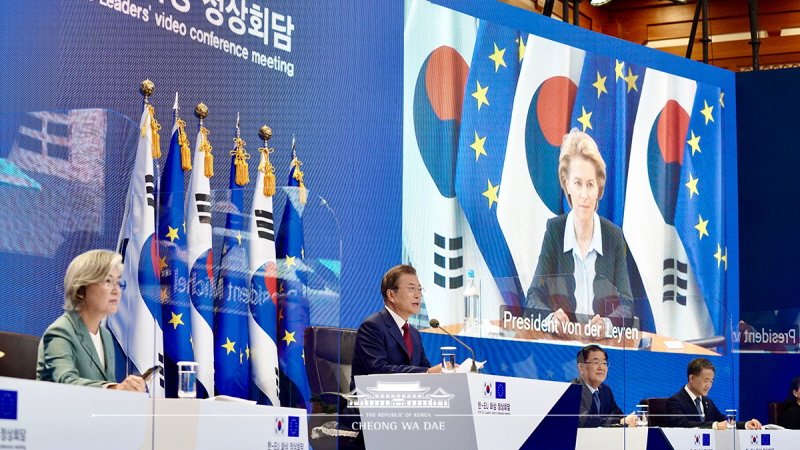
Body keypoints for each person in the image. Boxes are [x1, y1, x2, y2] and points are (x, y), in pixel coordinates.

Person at [526, 129, 633, 339]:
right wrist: (550, 320)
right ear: (567, 185)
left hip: (601, 352)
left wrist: (608, 324)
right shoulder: (554, 232)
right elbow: (533, 298)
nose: (584, 194)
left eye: (590, 185)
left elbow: (627, 305)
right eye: (577, 183)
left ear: (598, 190)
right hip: (563, 349)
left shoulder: (613, 236)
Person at [37, 250, 145, 391]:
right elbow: (64, 381)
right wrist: (114, 388)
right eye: (107, 281)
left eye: (118, 283)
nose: (116, 290)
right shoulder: (60, 332)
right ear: (81, 290)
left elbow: (106, 385)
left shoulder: (104, 334)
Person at [350, 264, 442, 391]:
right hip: (371, 402)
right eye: (411, 288)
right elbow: (379, 370)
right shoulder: (372, 326)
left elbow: (424, 367)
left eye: (420, 289)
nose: (418, 295)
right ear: (391, 295)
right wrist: (428, 372)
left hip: (408, 402)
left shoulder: (414, 333)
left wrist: (442, 373)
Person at [666, 358, 760, 429]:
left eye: (711, 381)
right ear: (692, 378)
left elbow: (724, 422)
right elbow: (683, 425)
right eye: (706, 380)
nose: (709, 385)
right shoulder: (675, 401)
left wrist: (746, 425)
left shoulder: (708, 402)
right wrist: (715, 426)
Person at [571, 344, 636, 427]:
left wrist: (631, 420)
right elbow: (583, 420)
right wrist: (620, 421)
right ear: (581, 367)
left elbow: (616, 414)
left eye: (604, 363)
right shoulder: (573, 390)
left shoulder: (605, 390)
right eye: (596, 363)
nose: (601, 367)